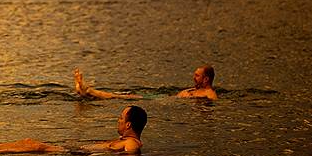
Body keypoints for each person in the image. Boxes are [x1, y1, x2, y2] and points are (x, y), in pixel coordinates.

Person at [0, 105, 147, 155]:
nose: (118, 121)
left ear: (129, 125)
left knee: (36, 146)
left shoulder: (131, 143)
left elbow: (129, 154)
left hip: (79, 154)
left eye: (121, 118)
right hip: (79, 150)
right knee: (29, 142)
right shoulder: (127, 141)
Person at [75, 65, 217, 101]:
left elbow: (213, 103)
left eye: (197, 76)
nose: (193, 78)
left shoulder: (209, 94)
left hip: (166, 101)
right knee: (127, 96)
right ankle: (86, 92)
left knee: (125, 97)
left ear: (206, 79)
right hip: (168, 98)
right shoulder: (196, 90)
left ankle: (91, 91)